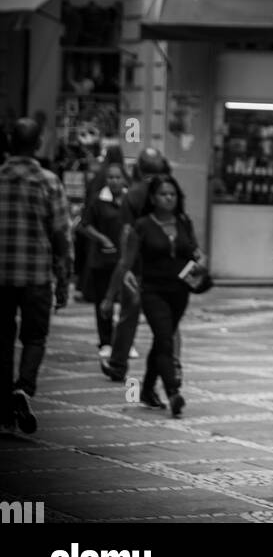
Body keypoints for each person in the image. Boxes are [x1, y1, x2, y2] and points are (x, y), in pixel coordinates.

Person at [0, 118, 72, 435]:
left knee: (1, 338)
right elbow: (61, 235)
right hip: (36, 276)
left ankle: (4, 403)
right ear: (38, 143)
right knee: (34, 337)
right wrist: (64, 278)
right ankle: (23, 389)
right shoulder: (48, 181)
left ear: (10, 141)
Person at [120, 173, 205, 415]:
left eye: (172, 194)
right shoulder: (143, 225)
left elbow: (195, 251)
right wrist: (121, 285)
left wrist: (201, 261)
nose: (169, 198)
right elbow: (129, 259)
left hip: (179, 291)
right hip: (153, 291)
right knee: (165, 339)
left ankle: (146, 389)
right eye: (163, 194)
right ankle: (173, 392)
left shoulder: (183, 222)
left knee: (161, 340)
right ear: (154, 198)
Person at [100, 147, 171, 383]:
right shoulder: (169, 193)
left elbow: (126, 237)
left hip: (137, 267)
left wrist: (110, 294)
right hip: (162, 269)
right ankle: (173, 369)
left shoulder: (133, 195)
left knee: (128, 316)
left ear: (138, 168)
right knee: (166, 322)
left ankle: (118, 366)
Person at [79, 161, 129, 360]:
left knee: (127, 300)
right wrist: (102, 238)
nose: (114, 181)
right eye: (111, 177)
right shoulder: (98, 200)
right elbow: (84, 225)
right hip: (103, 259)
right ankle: (106, 341)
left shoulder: (129, 199)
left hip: (125, 260)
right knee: (103, 300)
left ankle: (126, 341)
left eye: (118, 177)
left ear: (124, 179)